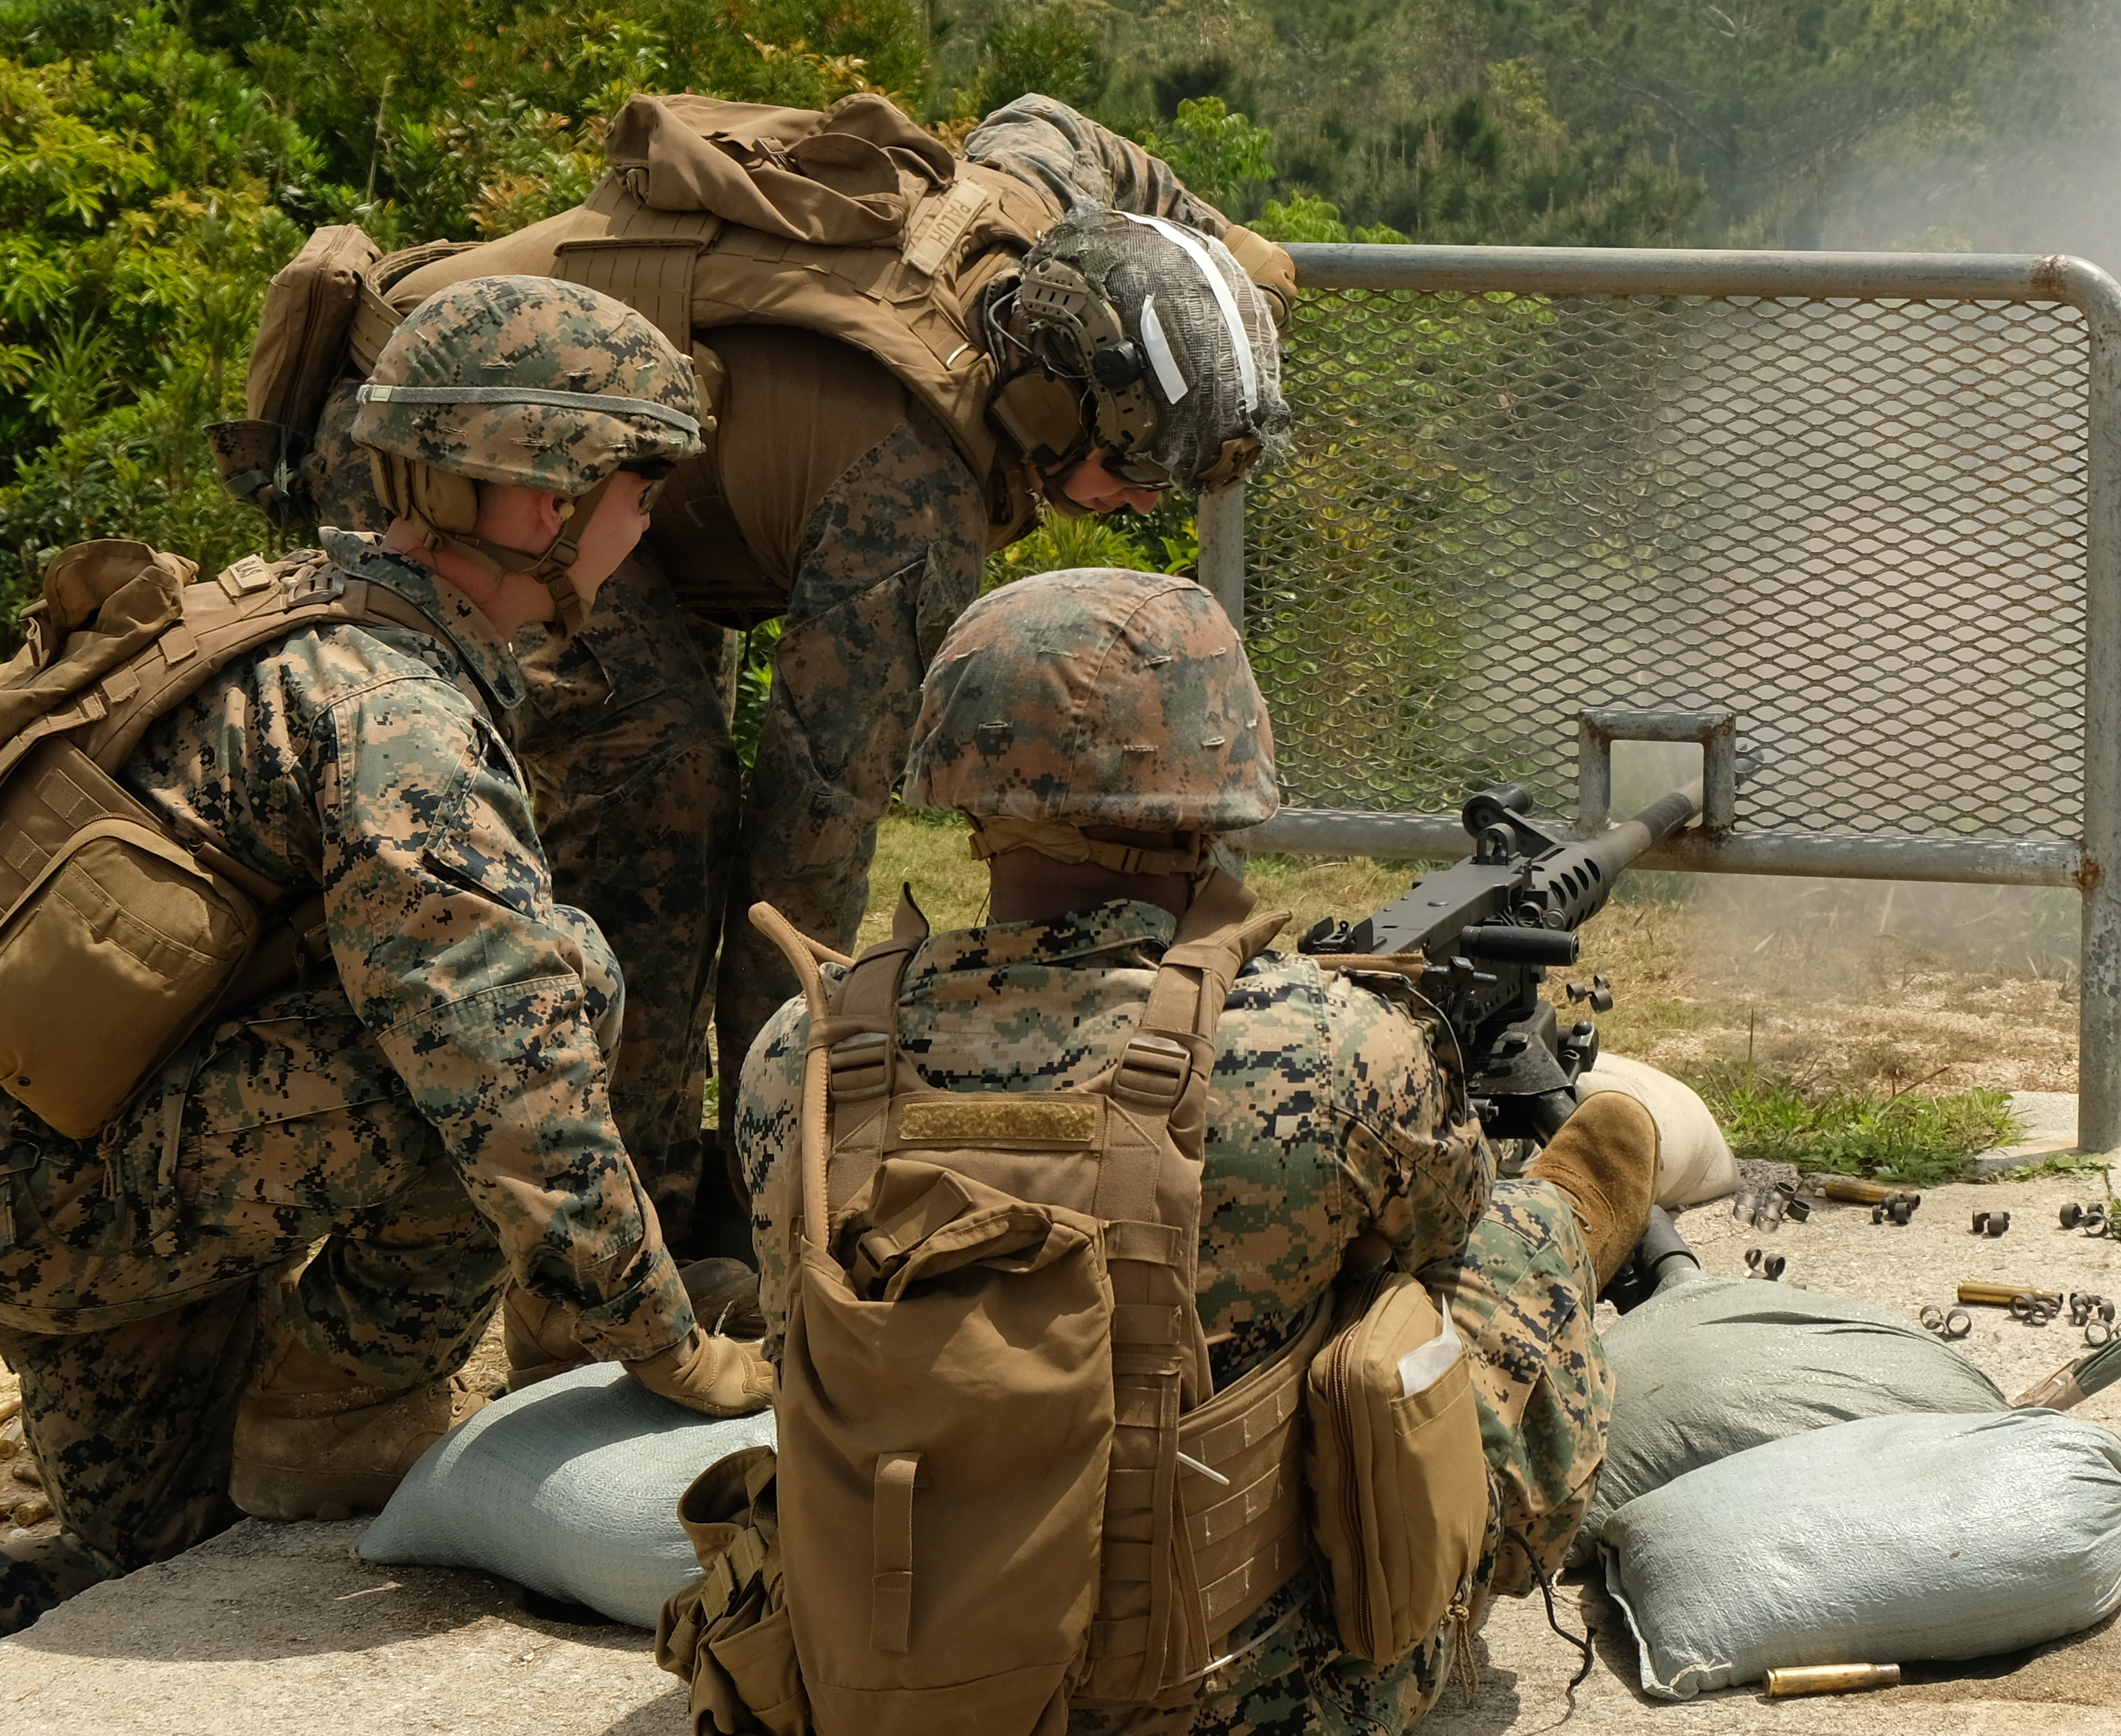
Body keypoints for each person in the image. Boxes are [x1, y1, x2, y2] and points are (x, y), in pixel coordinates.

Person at [256, 86, 1299, 1258]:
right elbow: (806, 851)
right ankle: (646, 1216)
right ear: (1051, 397)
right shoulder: (915, 496)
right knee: (665, 814)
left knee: (677, 792)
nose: (1145, 502)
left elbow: (1058, 119)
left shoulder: (1028, 221)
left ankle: (689, 1183)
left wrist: (1242, 263)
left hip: (614, 479)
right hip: (447, 444)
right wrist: (796, 1155)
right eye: (1133, 463)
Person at [730, 568, 1650, 1732]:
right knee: (1514, 1240)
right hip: (1248, 1707)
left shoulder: (805, 1047)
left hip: (866, 1682)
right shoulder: (1333, 1046)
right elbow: (1442, 1226)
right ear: (1225, 784)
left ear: (959, 785)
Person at [0, 278, 773, 1635]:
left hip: (65, 1172)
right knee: (556, 986)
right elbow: (507, 1067)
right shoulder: (396, 708)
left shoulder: (291, 606)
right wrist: (663, 1340)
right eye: (640, 487)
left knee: (173, 1543)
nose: (647, 523)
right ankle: (330, 1407)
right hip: (64, 1205)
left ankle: (243, 1424)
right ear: (546, 501)